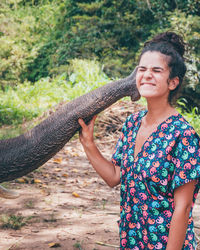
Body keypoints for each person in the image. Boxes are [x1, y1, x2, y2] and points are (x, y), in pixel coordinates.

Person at [78, 31, 200, 249]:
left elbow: (183, 208)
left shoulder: (184, 135)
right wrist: (89, 144)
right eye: (142, 69)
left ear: (173, 82)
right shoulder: (132, 124)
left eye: (156, 70)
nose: (147, 75)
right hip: (132, 240)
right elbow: (115, 176)